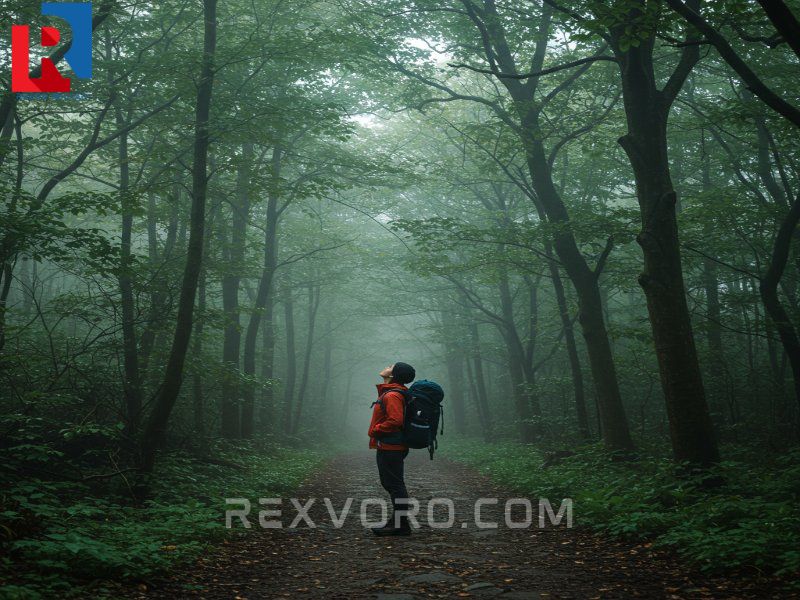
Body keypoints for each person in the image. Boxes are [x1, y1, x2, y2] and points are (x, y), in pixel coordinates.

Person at [368, 361, 415, 536]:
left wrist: (375, 430)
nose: (387, 366)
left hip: (391, 446)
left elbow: (396, 420)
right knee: (391, 483)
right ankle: (398, 521)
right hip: (391, 445)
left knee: (395, 484)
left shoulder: (392, 395)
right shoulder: (392, 393)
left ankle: (400, 524)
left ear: (393, 375)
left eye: (391, 366)